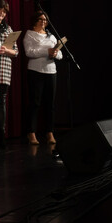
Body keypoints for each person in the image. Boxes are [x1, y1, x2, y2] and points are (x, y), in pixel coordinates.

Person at [24, 11, 65, 146]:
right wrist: (46, 51)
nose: (43, 22)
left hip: (51, 71)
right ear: (35, 20)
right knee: (35, 103)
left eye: (45, 20)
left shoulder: (51, 36)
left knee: (50, 104)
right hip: (35, 71)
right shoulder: (30, 34)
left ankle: (49, 132)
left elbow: (61, 55)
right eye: (40, 19)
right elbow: (29, 52)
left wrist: (55, 53)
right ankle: (31, 132)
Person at [0, 0, 19, 148]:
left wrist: (6, 50)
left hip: (4, 68)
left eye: (4, 11)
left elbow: (16, 52)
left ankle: (0, 136)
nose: (2, 13)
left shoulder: (8, 28)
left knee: (1, 102)